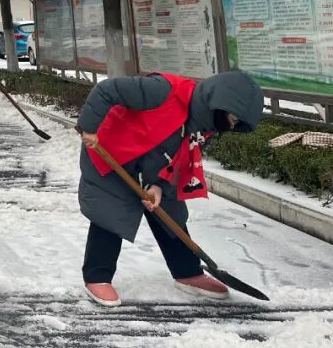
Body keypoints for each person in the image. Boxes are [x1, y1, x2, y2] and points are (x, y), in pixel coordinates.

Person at [75, 70, 263, 307]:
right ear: (219, 104)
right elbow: (107, 90)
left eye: (235, 123)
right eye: (233, 119)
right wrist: (89, 128)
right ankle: (97, 276)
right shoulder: (163, 91)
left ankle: (187, 272)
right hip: (110, 153)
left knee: (170, 212)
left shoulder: (204, 125)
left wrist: (159, 186)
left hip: (152, 165)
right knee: (112, 212)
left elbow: (180, 156)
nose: (231, 126)